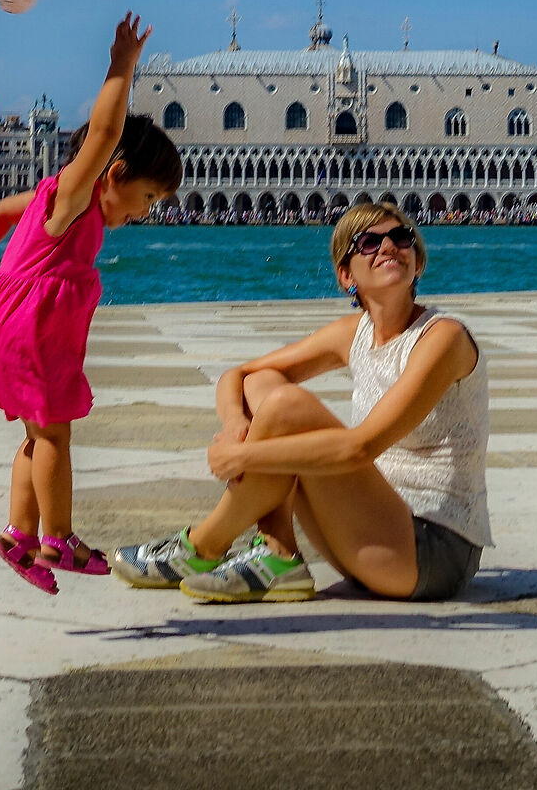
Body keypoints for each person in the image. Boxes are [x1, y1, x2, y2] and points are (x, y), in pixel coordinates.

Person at [110, 202, 490, 603]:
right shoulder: (353, 333)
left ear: (419, 263)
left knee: (286, 407)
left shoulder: (442, 338)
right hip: (371, 533)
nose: (389, 248)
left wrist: (243, 457)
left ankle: (202, 545)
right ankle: (277, 554)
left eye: (401, 238)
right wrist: (238, 424)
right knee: (269, 390)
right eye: (369, 242)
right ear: (346, 275)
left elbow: (360, 448)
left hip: (432, 551)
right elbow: (239, 377)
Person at [0, 12, 182, 594]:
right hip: (22, 331)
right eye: (148, 196)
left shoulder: (56, 201)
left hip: (1, 327)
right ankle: (59, 538)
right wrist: (121, 67)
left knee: (36, 435)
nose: (147, 211)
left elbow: (1, 210)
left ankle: (17, 536)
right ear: (113, 174)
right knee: (55, 436)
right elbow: (103, 134)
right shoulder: (73, 197)